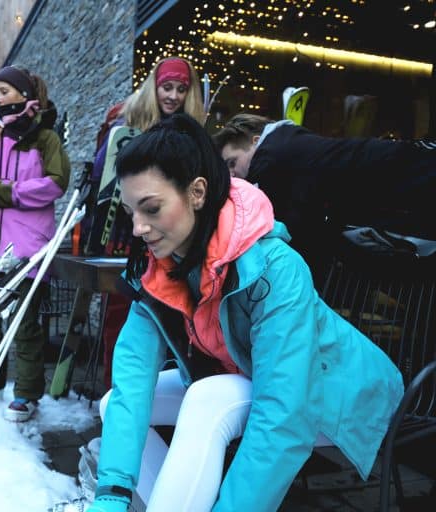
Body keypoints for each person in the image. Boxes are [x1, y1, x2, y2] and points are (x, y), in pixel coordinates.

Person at [86, 112, 403, 512]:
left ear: (197, 193)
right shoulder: (164, 268)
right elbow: (133, 381)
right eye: (132, 211)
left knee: (206, 399)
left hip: (336, 395)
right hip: (253, 376)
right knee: (113, 401)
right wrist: (110, 496)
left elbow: (285, 414)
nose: (138, 227)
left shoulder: (274, 267)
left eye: (151, 208)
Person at [0, 65, 70, 422]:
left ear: (24, 95)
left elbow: (56, 183)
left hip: (24, 248)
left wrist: (9, 193)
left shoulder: (45, 138)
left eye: (5, 91)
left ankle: (26, 393)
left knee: (24, 324)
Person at [85, 57, 207, 388]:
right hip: (127, 239)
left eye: (181, 89)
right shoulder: (125, 121)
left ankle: (160, 408)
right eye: (167, 87)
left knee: (170, 322)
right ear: (154, 87)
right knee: (122, 321)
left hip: (170, 240)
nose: (173, 96)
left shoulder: (187, 130)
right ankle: (116, 401)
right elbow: (105, 176)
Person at [211, 113, 436, 282]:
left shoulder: (272, 154)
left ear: (255, 141)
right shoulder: (289, 148)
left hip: (411, 177)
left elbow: (291, 226)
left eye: (233, 162)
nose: (232, 175)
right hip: (409, 176)